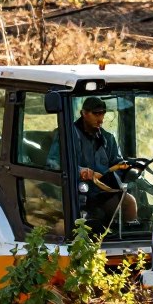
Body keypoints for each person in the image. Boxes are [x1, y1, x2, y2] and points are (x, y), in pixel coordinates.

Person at [48, 96, 139, 225]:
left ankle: (131, 237)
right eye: (96, 114)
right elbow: (53, 163)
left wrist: (126, 169)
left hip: (101, 193)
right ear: (83, 113)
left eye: (102, 114)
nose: (100, 119)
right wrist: (79, 171)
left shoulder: (108, 139)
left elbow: (117, 164)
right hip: (75, 193)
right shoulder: (67, 135)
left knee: (130, 202)